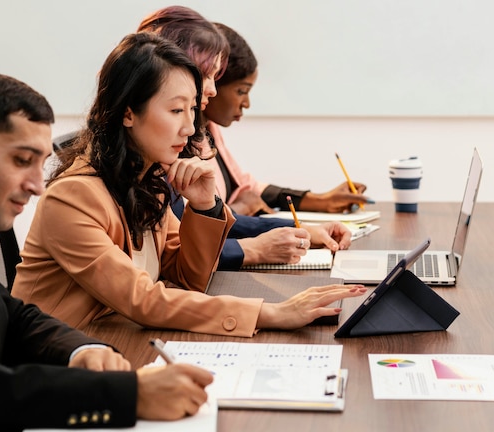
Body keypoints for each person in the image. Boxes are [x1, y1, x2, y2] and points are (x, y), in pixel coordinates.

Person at [0, 71, 214, 430]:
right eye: (21, 160)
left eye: (40, 164)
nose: (37, 186)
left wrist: (82, 350)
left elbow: (14, 317)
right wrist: (126, 394)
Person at [11, 32, 366, 338]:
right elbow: (142, 298)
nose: (189, 126)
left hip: (115, 340)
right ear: (128, 112)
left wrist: (204, 206)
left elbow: (187, 277)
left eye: (193, 110)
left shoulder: (144, 180)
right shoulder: (74, 196)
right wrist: (271, 313)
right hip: (59, 361)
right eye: (176, 110)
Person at [140, 6, 356, 271]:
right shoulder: (146, 159)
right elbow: (171, 258)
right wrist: (253, 249)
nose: (211, 90)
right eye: (206, 76)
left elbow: (203, 228)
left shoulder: (189, 137)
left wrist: (299, 228)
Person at [203, 22, 372, 216]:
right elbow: (195, 225)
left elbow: (246, 187)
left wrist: (321, 200)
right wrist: (238, 210)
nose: (246, 104)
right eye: (241, 91)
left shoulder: (209, 129)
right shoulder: (182, 143)